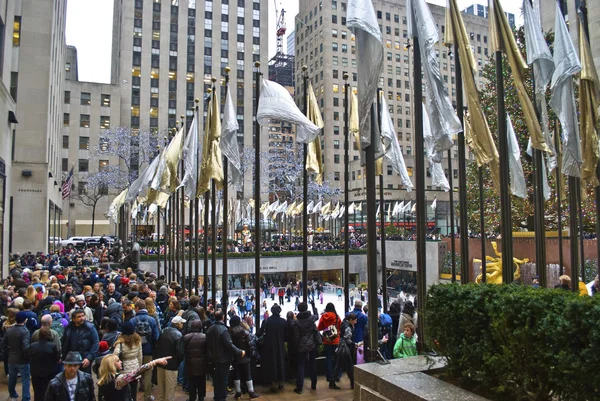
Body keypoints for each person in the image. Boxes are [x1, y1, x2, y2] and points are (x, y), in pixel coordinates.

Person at [206, 311, 245, 401]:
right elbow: (229, 344)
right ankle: (222, 397)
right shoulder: (223, 330)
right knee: (223, 379)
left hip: (213, 357)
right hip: (223, 358)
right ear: (223, 317)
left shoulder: (210, 329)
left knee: (216, 379)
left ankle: (217, 396)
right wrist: (240, 351)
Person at [97, 354, 170, 401]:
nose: (121, 362)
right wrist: (155, 362)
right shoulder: (118, 380)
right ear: (112, 365)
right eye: (118, 361)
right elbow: (137, 372)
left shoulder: (103, 379)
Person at [130, 299, 160, 401]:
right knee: (148, 372)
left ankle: (133, 395)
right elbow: (156, 336)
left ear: (137, 308)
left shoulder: (133, 320)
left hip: (135, 351)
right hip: (148, 349)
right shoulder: (152, 320)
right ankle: (147, 396)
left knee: (135, 371)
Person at [257, 304, 288, 393]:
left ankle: (273, 383)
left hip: (269, 346)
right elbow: (287, 335)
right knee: (280, 363)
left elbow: (259, 333)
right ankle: (281, 382)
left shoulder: (267, 321)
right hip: (280, 346)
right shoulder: (283, 321)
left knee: (272, 364)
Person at [1, 311, 31, 401]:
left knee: (12, 379)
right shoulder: (25, 331)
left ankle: (13, 395)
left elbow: (2, 344)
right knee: (25, 380)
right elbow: (26, 346)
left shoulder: (10, 330)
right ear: (25, 320)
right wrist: (28, 356)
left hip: (11, 358)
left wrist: (8, 352)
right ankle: (25, 398)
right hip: (23, 359)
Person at [154, 315, 184, 401]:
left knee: (161, 391)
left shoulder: (163, 331)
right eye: (181, 323)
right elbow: (180, 352)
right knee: (170, 391)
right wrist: (177, 362)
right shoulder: (178, 335)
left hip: (161, 363)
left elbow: (157, 346)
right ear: (178, 324)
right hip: (172, 366)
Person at [228, 316, 260, 399]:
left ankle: (238, 392)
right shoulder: (244, 332)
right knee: (248, 374)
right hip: (245, 356)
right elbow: (251, 345)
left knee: (237, 374)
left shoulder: (229, 332)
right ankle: (251, 392)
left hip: (235, 357)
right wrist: (249, 354)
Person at [291, 302, 318, 394]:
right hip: (312, 344)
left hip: (301, 346)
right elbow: (317, 315)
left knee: (301, 366)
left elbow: (296, 336)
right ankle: (314, 384)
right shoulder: (311, 319)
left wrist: (295, 346)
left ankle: (299, 387)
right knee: (313, 364)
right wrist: (314, 306)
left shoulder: (297, 322)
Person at [62, 309, 99, 374]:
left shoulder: (90, 328)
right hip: (72, 359)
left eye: (83, 316)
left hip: (84, 359)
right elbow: (65, 343)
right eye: (79, 317)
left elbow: (95, 344)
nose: (82, 318)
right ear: (73, 319)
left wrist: (89, 358)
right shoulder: (68, 328)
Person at [28, 327, 60, 401]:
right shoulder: (52, 346)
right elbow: (57, 358)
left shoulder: (33, 346)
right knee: (48, 391)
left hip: (36, 373)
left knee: (37, 392)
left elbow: (28, 356)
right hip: (49, 373)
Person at [111, 320, 142, 397]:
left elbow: (114, 357)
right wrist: (139, 368)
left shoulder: (120, 343)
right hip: (135, 369)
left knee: (124, 393)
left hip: (124, 371)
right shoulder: (138, 341)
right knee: (133, 391)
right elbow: (140, 356)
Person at [329, 313, 357, 390]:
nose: (356, 322)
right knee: (349, 366)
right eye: (355, 320)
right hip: (345, 349)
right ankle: (352, 383)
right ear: (351, 320)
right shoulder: (348, 327)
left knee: (338, 365)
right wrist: (354, 344)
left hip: (341, 347)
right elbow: (347, 339)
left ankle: (332, 381)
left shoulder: (344, 323)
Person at [182, 320, 208, 401]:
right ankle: (201, 397)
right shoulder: (205, 337)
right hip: (202, 363)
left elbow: (182, 350)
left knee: (191, 381)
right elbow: (207, 350)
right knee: (201, 381)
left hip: (190, 363)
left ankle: (192, 397)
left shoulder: (186, 337)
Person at [317, 302, 342, 382]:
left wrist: (326, 328)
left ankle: (329, 376)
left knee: (328, 359)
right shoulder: (337, 317)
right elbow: (340, 327)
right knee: (337, 359)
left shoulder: (323, 317)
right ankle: (337, 375)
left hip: (327, 340)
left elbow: (319, 328)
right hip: (336, 340)